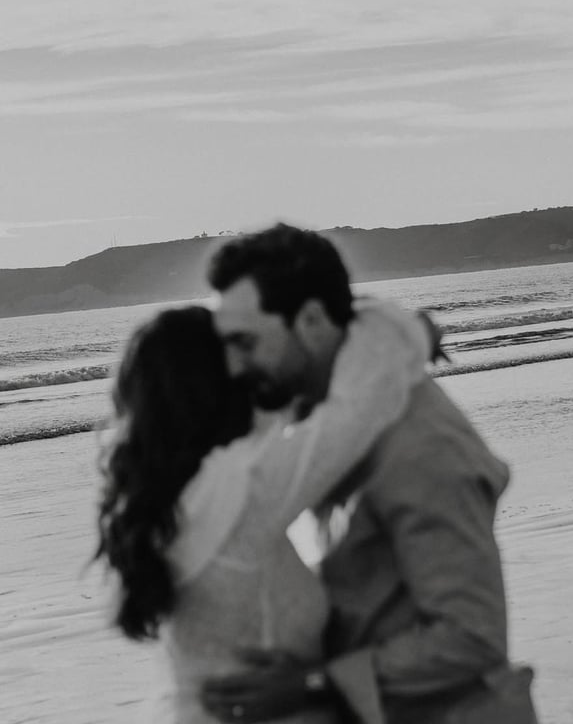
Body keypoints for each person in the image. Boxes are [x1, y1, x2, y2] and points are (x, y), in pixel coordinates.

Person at [200, 224, 538, 724]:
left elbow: (471, 637)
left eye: (246, 343)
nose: (233, 366)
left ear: (312, 321)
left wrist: (314, 684)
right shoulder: (327, 424)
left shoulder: (421, 450)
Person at [94, 299, 435, 724]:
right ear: (221, 381)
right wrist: (404, 327)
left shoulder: (160, 503)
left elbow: (279, 420)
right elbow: (360, 409)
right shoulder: (240, 489)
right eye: (241, 354)